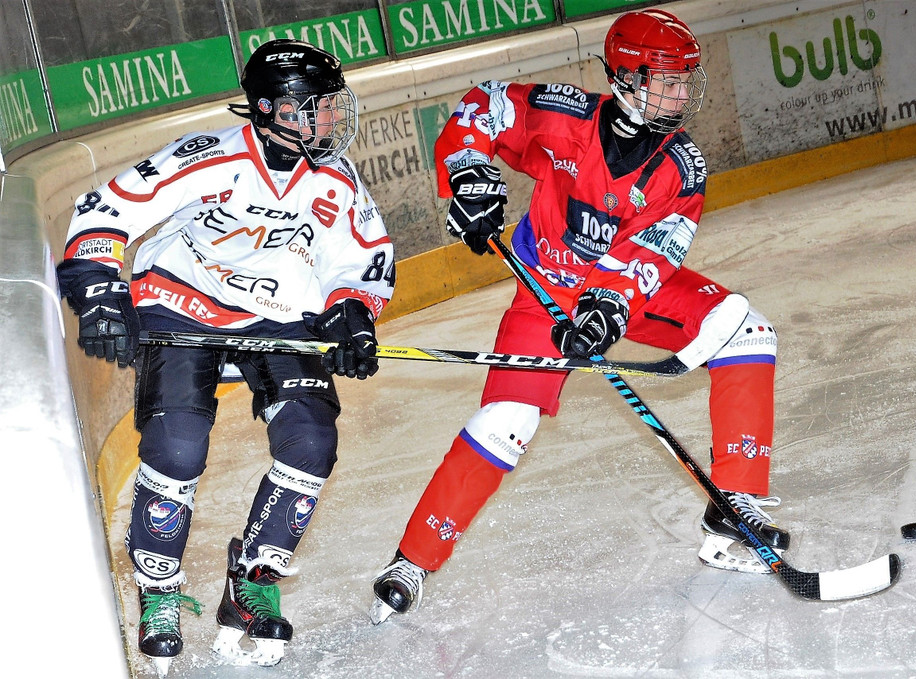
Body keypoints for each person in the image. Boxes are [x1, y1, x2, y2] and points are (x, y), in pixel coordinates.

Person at [369, 9, 788, 624]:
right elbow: (483, 107)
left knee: (746, 331)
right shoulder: (563, 115)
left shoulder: (683, 164)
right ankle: (413, 559)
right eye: (667, 80)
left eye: (685, 80)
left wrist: (608, 306)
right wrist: (469, 174)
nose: (681, 94)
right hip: (545, 288)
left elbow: (655, 251)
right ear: (625, 77)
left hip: (625, 294)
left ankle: (734, 507)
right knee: (507, 422)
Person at [56, 40, 394, 670]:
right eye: (317, 106)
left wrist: (352, 310)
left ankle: (253, 582)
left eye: (330, 105)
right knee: (177, 446)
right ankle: (159, 587)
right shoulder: (209, 157)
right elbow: (106, 208)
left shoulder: (337, 177)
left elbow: (362, 256)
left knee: (311, 441)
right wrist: (99, 290)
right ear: (272, 109)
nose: (331, 118)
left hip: (278, 315)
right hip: (181, 303)